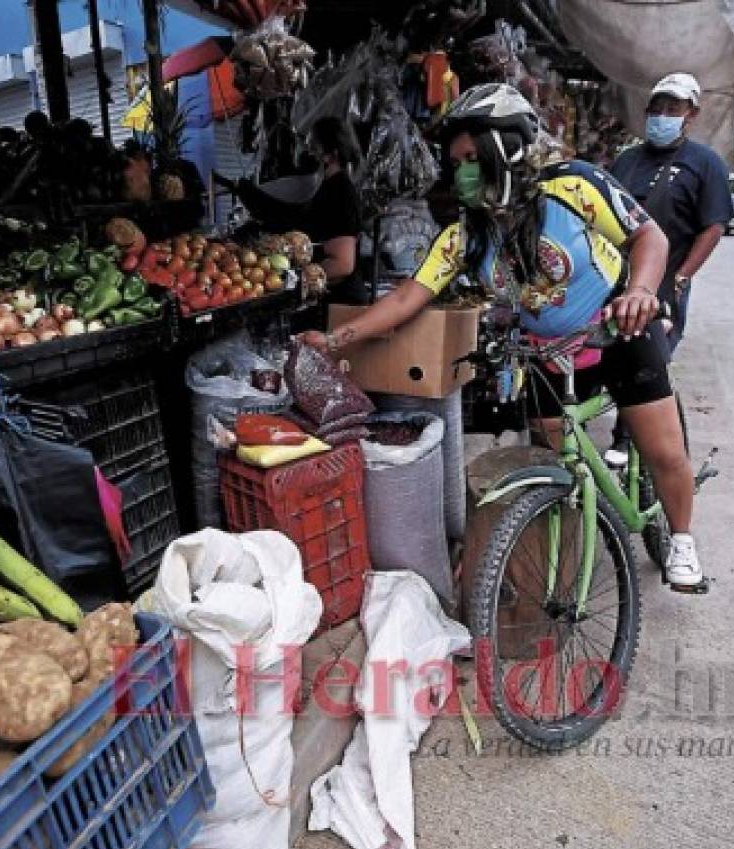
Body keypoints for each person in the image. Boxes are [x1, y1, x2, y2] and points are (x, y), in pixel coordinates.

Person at [299, 84, 704, 589]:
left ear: (507, 149)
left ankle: (682, 538)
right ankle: (567, 544)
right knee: (560, 464)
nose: (462, 171)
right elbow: (407, 299)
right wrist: (336, 341)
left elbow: (649, 235)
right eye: (457, 161)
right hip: (545, 357)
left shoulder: (573, 186)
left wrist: (640, 291)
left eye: (472, 157)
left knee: (664, 452)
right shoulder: (466, 235)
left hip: (619, 330)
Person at [610, 73, 733, 357]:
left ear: (692, 114)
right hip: (615, 277)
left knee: (650, 358)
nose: (662, 116)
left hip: (666, 282)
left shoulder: (705, 163)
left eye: (672, 109)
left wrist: (681, 278)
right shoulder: (627, 159)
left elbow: (713, 227)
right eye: (656, 109)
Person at [216, 117, 368, 303]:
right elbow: (294, 219)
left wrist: (295, 278)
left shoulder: (341, 192)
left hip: (341, 303)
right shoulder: (325, 187)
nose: (306, 151)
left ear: (332, 153)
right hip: (325, 299)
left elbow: (343, 263)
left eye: (313, 146)